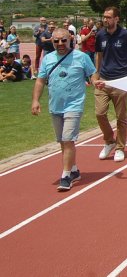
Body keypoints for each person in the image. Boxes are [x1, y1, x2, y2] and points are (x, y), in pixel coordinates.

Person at [31, 27, 97, 191]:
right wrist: (35, 100)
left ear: (70, 40)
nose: (60, 43)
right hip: (55, 106)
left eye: (63, 40)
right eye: (56, 41)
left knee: (68, 140)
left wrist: (96, 82)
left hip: (74, 105)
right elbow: (40, 81)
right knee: (62, 141)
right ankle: (73, 170)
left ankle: (66, 175)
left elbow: (93, 73)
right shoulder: (48, 59)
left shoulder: (81, 57)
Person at [94, 7, 127, 162]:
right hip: (104, 80)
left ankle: (120, 147)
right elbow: (99, 55)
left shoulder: (125, 35)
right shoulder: (100, 35)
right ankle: (109, 141)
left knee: (121, 117)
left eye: (109, 17)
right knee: (100, 113)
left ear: (117, 18)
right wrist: (97, 73)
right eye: (104, 17)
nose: (106, 19)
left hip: (121, 81)